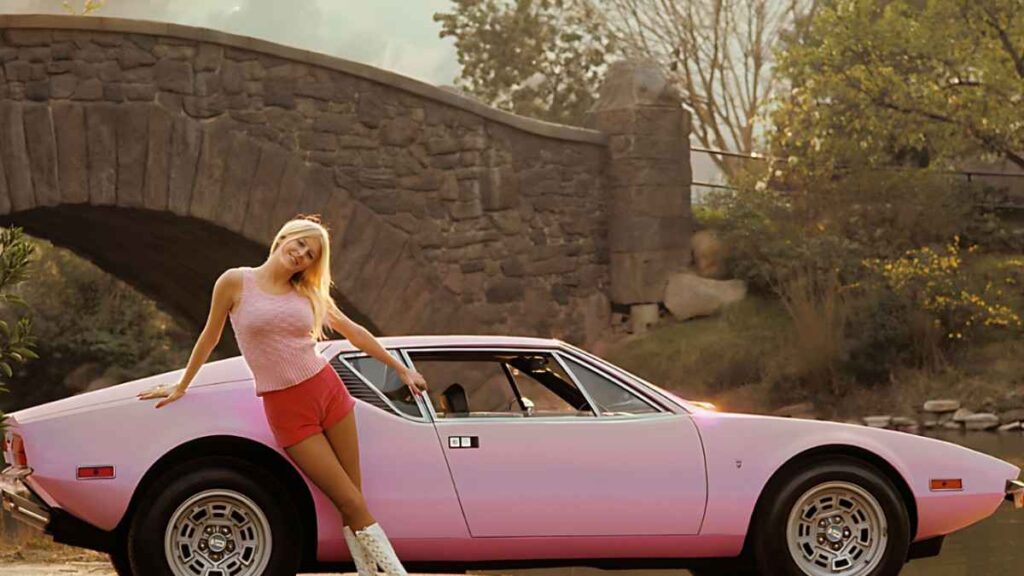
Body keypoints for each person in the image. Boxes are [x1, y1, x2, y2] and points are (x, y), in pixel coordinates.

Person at [136, 214, 428, 576]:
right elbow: (210, 337)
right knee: (349, 500)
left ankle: (373, 573)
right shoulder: (234, 282)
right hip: (287, 409)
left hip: (328, 391)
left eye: (310, 255)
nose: (302, 255)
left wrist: (402, 369)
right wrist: (183, 384)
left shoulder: (307, 292)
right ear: (283, 237)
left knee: (353, 501)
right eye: (300, 244)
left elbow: (354, 332)